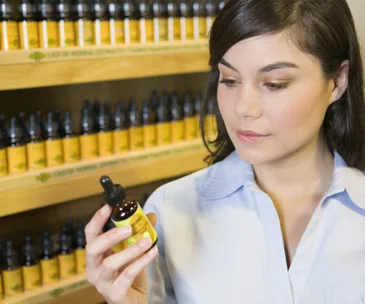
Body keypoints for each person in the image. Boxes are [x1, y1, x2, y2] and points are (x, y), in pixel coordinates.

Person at [84, 0, 365, 303]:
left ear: (337, 81)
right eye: (229, 80)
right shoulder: (170, 211)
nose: (243, 108)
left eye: (275, 84)